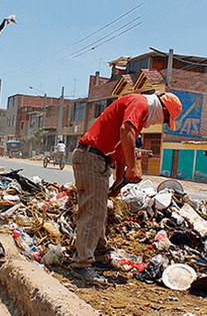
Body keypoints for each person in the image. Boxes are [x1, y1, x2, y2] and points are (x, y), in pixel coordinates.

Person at [70, 92, 182, 285]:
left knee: (100, 211)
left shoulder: (139, 113)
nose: (160, 124)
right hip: (91, 158)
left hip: (99, 160)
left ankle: (101, 256)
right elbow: (125, 131)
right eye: (165, 120)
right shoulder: (140, 103)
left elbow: (123, 145)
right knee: (93, 211)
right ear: (162, 109)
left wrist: (120, 178)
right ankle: (82, 265)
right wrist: (133, 167)